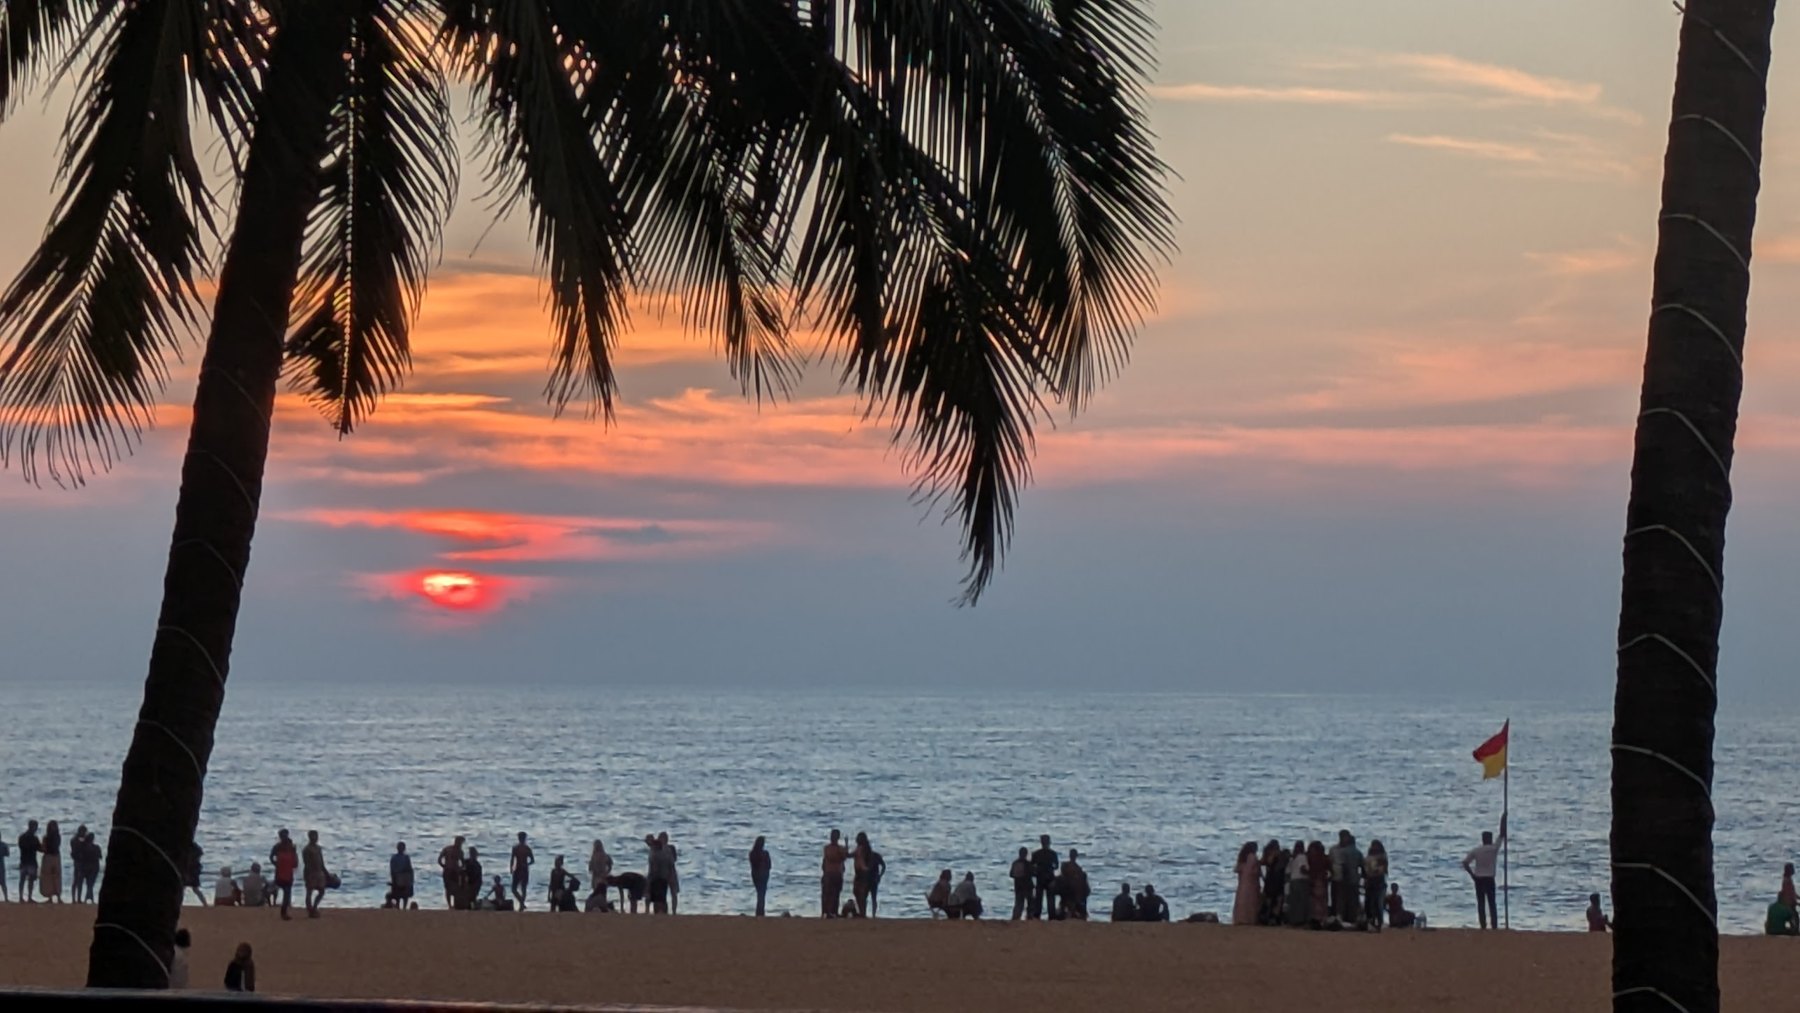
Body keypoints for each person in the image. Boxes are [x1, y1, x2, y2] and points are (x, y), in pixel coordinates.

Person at [1462, 827, 1504, 930]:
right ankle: (1494, 925)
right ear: (1490, 839)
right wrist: (1503, 819)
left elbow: (1465, 862)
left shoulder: (1477, 850)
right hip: (1489, 878)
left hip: (1479, 878)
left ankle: (1483, 925)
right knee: (1491, 903)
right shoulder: (1493, 849)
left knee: (1481, 902)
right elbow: (1502, 835)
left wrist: (1472, 874)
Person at [1331, 831, 1364, 925]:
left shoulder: (1343, 852)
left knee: (1343, 899)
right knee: (1354, 899)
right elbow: (1362, 867)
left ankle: (1343, 917)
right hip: (1355, 879)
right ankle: (1352, 918)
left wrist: (1344, 877)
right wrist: (1361, 877)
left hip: (1345, 879)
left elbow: (1343, 866)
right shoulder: (1358, 853)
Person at [820, 829, 850, 917]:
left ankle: (829, 912)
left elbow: (827, 860)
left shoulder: (829, 848)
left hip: (832, 873)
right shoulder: (836, 849)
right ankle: (829, 912)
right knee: (830, 893)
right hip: (833, 873)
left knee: (832, 894)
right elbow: (843, 857)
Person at [270, 829, 298, 920]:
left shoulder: (279, 847)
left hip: (284, 871)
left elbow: (271, 857)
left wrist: (275, 863)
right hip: (284, 871)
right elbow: (271, 857)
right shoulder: (287, 847)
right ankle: (284, 911)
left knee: (286, 891)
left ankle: (283, 910)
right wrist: (276, 864)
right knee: (287, 891)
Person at [1231, 841, 1260, 926]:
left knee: (1241, 901)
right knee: (1250, 902)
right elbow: (1252, 871)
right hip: (1251, 883)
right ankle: (1248, 919)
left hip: (1242, 883)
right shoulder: (1252, 857)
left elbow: (1237, 869)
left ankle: (1239, 918)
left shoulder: (1242, 858)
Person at [301, 830, 330, 918]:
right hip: (311, 873)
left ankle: (314, 907)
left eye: (316, 836)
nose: (315, 838)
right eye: (313, 836)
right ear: (309, 837)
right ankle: (310, 910)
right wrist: (307, 875)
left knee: (321, 891)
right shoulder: (306, 849)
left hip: (319, 872)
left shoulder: (318, 848)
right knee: (309, 892)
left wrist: (326, 872)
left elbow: (321, 862)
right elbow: (306, 863)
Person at [1030, 835, 1060, 920]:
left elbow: (1031, 866)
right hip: (1049, 877)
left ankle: (1037, 915)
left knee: (1039, 898)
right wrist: (1051, 868)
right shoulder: (1053, 854)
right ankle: (1051, 916)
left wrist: (1036, 871)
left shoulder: (1036, 854)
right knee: (1050, 898)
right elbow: (1057, 866)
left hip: (1040, 876)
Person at [1259, 840, 1287, 926]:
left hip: (1271, 879)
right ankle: (1273, 918)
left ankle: (1267, 917)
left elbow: (1263, 863)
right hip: (1276, 880)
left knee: (1270, 899)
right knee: (1276, 900)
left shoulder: (1269, 855)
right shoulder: (1279, 856)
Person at [1283, 839, 1310, 927]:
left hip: (1293, 881)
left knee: (1294, 901)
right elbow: (1303, 869)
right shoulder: (1302, 857)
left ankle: (1293, 920)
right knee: (1301, 901)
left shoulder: (1293, 858)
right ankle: (1300, 920)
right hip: (1301, 881)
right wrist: (1310, 873)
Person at [646, 834, 675, 914]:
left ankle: (661, 913)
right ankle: (661, 913)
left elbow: (654, 868)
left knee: (659, 899)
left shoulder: (657, 854)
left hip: (659, 877)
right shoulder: (657, 853)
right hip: (660, 877)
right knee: (659, 898)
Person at [1364, 840, 1389, 930]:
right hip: (1373, 883)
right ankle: (1374, 921)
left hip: (1377, 883)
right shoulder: (1380, 857)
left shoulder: (1381, 857)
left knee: (1377, 903)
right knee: (1373, 903)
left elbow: (1381, 871)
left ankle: (1378, 922)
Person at [1061, 848, 1090, 920]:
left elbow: (1063, 876)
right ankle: (1080, 910)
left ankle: (1070, 909)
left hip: (1068, 889)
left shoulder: (1065, 865)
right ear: (1076, 856)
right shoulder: (1078, 869)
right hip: (1072, 889)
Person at [438, 836, 466, 909]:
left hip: (454, 872)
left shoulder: (460, 852)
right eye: (460, 842)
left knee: (455, 888)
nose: (460, 844)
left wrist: (459, 868)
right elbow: (439, 859)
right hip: (448, 871)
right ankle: (449, 905)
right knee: (448, 888)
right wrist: (444, 866)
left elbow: (463, 863)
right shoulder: (448, 849)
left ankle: (454, 904)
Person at [852, 833, 876, 916]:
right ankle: (862, 911)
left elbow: (862, 859)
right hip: (860, 872)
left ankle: (863, 912)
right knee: (857, 892)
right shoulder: (861, 848)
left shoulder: (864, 849)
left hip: (862, 872)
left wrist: (866, 868)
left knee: (861, 893)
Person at [39, 820, 63, 903]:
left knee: (53, 876)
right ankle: (53, 897)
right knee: (51, 877)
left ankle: (55, 897)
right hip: (54, 856)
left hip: (50, 856)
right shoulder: (56, 836)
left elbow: (44, 847)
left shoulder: (48, 837)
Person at [17, 820, 40, 902]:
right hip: (31, 861)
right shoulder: (34, 838)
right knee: (30, 880)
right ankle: (29, 897)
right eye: (35, 827)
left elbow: (20, 847)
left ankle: (21, 897)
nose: (36, 829)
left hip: (24, 860)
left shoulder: (22, 837)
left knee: (22, 880)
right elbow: (39, 848)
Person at [511, 832, 534, 910]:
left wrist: (511, 868)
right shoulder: (524, 848)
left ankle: (521, 905)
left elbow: (532, 860)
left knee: (519, 888)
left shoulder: (519, 848)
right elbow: (532, 861)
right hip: (521, 869)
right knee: (518, 889)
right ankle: (522, 903)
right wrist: (511, 868)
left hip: (520, 869)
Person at [750, 836, 772, 917]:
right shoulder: (765, 854)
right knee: (762, 894)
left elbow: (753, 865)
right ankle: (760, 912)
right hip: (763, 875)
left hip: (755, 875)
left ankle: (759, 912)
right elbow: (769, 865)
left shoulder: (752, 853)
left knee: (759, 893)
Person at [1009, 847, 1032, 920]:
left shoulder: (1015, 863)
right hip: (1027, 885)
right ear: (1026, 854)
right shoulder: (1028, 863)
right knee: (1030, 902)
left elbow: (1011, 874)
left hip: (1018, 885)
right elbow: (1031, 873)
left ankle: (1016, 917)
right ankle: (1029, 917)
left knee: (1018, 902)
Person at [389, 842, 414, 908]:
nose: (401, 849)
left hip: (405, 878)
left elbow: (410, 868)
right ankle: (398, 906)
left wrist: (411, 879)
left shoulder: (406, 857)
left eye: (402, 847)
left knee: (405, 894)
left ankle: (404, 907)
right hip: (397, 877)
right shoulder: (394, 857)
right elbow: (392, 869)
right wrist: (393, 878)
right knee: (397, 894)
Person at [660, 832, 681, 914]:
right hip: (663, 873)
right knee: (662, 893)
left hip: (671, 872)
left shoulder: (671, 848)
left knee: (674, 893)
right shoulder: (658, 848)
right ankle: (664, 910)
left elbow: (674, 859)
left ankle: (674, 911)